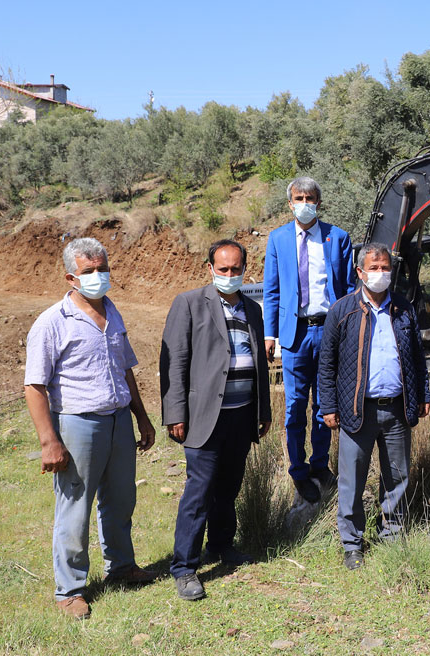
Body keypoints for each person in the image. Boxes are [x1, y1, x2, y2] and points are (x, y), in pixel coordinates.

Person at [24, 237, 158, 620]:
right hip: (78, 424)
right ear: (71, 277)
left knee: (121, 500)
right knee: (75, 508)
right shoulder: (52, 322)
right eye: (89, 272)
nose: (99, 276)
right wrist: (49, 441)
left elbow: (125, 369)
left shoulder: (112, 312)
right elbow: (34, 386)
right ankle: (69, 589)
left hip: (117, 420)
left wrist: (141, 417)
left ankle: (122, 567)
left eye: (103, 269)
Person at [160, 239, 272, 601]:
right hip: (204, 417)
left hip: (241, 416)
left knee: (229, 487)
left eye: (235, 269)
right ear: (210, 268)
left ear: (244, 268)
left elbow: (259, 366)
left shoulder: (253, 309)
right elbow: (174, 362)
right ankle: (184, 567)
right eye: (222, 269)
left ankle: (221, 546)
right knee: (200, 490)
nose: (229, 275)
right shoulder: (190, 304)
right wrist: (175, 413)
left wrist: (263, 411)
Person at [318, 243, 430, 570]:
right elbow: (327, 364)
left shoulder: (404, 309)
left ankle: (392, 536)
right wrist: (328, 406)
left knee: (397, 478)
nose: (380, 274)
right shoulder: (343, 311)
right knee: (351, 480)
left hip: (397, 409)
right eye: (374, 268)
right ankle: (352, 545)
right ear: (360, 272)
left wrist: (422, 393)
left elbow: (417, 359)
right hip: (357, 411)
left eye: (385, 268)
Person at [262, 176, 354, 503]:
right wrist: (269, 334)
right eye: (298, 198)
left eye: (310, 197)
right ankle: (298, 471)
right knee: (295, 405)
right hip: (295, 333)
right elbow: (272, 291)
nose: (304, 203)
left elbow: (347, 290)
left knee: (324, 403)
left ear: (319, 202)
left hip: (330, 330)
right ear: (290, 203)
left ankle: (319, 465)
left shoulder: (337, 238)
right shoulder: (278, 239)